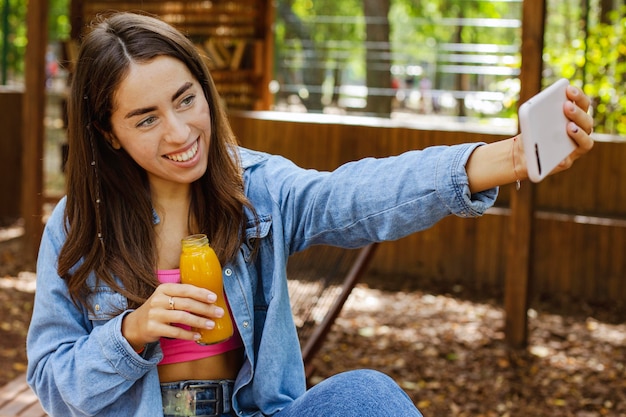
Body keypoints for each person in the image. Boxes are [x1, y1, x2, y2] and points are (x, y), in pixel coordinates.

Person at [26, 11, 594, 417]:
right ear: (109, 133)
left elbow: (361, 193)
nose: (179, 133)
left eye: (185, 99)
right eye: (146, 119)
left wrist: (511, 157)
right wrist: (131, 330)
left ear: (204, 91)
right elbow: (52, 385)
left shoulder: (258, 192)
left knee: (366, 396)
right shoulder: (78, 226)